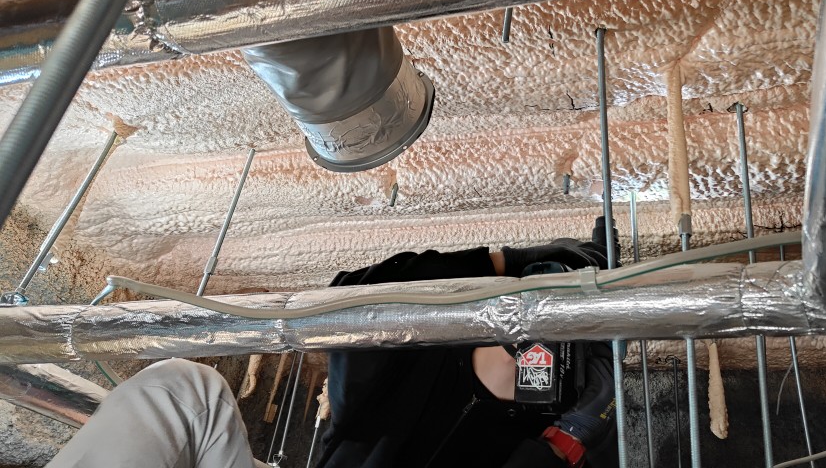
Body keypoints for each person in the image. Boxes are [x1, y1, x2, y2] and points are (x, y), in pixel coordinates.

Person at [47, 222, 618, 468]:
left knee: (178, 390)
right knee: (177, 392)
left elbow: (348, 297)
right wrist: (567, 441)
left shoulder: (371, 393)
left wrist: (505, 262)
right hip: (523, 416)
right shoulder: (535, 410)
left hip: (427, 392)